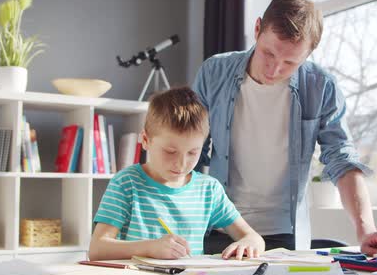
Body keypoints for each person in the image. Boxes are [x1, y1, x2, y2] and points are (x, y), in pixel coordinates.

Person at [192, 0, 377, 255]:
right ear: (257, 29)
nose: (274, 70)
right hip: (219, 227)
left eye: (290, 62)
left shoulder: (321, 86)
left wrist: (366, 229)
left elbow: (341, 159)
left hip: (285, 235)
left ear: (309, 54)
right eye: (268, 53)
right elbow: (191, 149)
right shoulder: (214, 72)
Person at [89, 87, 265, 261]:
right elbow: (97, 249)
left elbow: (254, 238)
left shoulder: (208, 190)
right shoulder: (126, 183)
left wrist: (249, 242)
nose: (181, 164)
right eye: (170, 151)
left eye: (192, 153)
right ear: (145, 140)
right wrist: (150, 247)